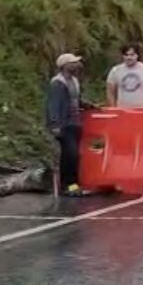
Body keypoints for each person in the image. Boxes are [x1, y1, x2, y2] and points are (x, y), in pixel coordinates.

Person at [45, 53, 91, 196]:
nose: (77, 65)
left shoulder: (74, 81)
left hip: (75, 123)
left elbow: (75, 100)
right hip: (64, 124)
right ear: (65, 66)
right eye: (73, 63)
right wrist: (55, 124)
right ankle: (68, 186)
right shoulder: (58, 83)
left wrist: (88, 106)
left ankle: (73, 185)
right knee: (70, 155)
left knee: (75, 156)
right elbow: (54, 105)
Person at [107, 43, 143, 108]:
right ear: (123, 56)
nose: (129, 57)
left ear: (137, 55)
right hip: (122, 110)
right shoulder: (115, 70)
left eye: (132, 55)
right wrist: (113, 109)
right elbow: (110, 92)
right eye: (126, 55)